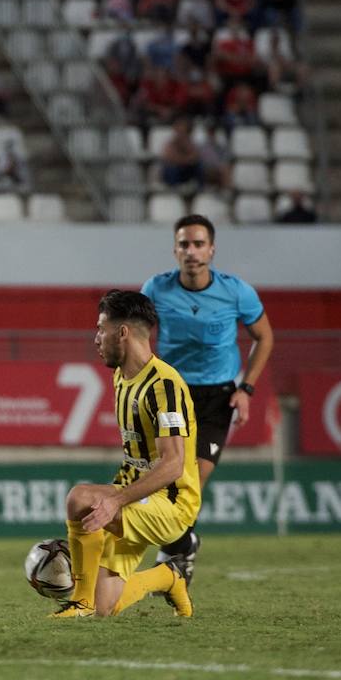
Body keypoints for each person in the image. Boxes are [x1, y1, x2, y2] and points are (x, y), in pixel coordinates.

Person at [140, 215, 274, 585]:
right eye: (184, 244)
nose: (192, 251)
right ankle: (183, 545)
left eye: (199, 244)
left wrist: (245, 389)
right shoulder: (156, 289)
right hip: (172, 393)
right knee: (168, 478)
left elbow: (265, 338)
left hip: (217, 396)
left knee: (193, 480)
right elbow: (136, 334)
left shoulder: (236, 292)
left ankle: (175, 551)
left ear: (211, 250)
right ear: (175, 250)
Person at [50, 290, 196, 618]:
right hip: (136, 496)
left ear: (123, 332)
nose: (96, 338)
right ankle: (170, 577)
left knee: (79, 498)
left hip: (172, 504)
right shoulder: (121, 376)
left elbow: (174, 465)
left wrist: (115, 501)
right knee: (108, 607)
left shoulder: (165, 385)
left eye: (101, 328)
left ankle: (80, 603)